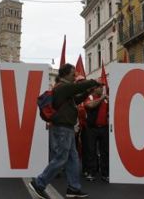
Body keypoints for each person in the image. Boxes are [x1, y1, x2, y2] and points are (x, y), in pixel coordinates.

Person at [29, 63, 100, 199]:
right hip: (62, 128)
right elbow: (77, 87)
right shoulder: (63, 87)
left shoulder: (64, 89)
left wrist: (87, 93)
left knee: (73, 158)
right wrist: (93, 81)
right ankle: (39, 183)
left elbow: (76, 100)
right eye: (73, 73)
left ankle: (73, 188)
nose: (75, 76)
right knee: (61, 158)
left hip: (66, 128)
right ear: (66, 74)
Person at [83, 79, 109, 182]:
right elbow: (90, 105)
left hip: (104, 128)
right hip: (92, 128)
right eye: (100, 87)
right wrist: (102, 98)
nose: (102, 89)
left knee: (105, 152)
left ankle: (105, 174)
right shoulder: (90, 97)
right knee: (91, 151)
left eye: (102, 86)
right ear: (95, 88)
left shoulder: (106, 99)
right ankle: (91, 173)